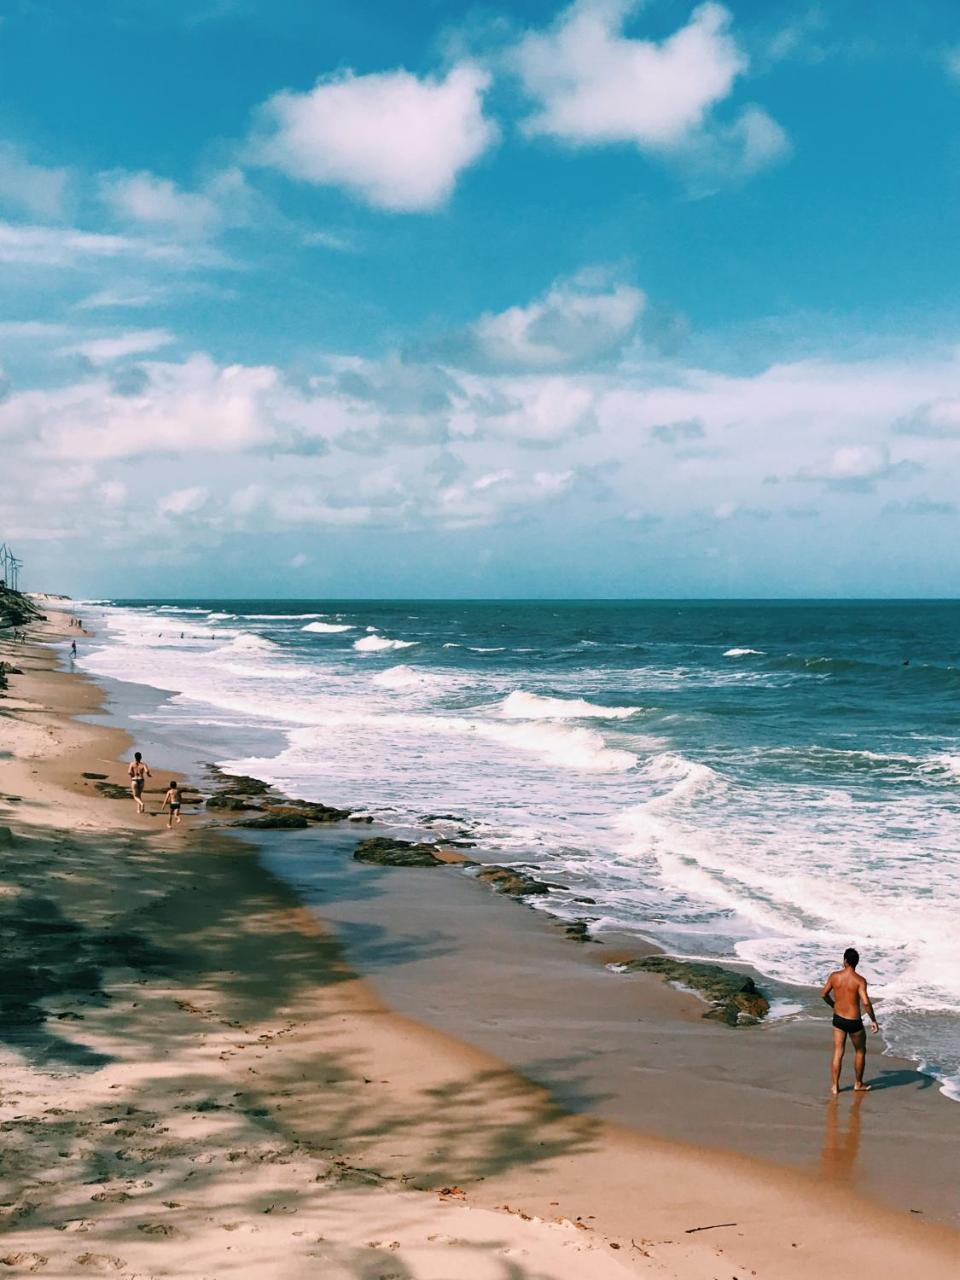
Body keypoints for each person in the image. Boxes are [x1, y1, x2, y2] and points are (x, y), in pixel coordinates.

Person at [821, 947, 879, 1095]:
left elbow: (823, 994)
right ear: (856, 963)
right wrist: (873, 1020)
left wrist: (834, 1005)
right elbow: (865, 1002)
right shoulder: (860, 981)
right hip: (853, 1021)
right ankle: (858, 1084)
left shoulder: (835, 976)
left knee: (838, 1051)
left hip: (838, 1019)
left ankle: (835, 1086)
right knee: (860, 1050)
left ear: (845, 960)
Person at [128, 751, 151, 815]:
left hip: (134, 780)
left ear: (135, 757)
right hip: (141, 780)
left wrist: (132, 775)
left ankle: (142, 804)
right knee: (139, 795)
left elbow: (129, 772)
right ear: (141, 757)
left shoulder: (132, 764)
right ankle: (138, 810)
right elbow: (147, 771)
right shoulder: (143, 764)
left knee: (135, 796)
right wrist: (149, 775)